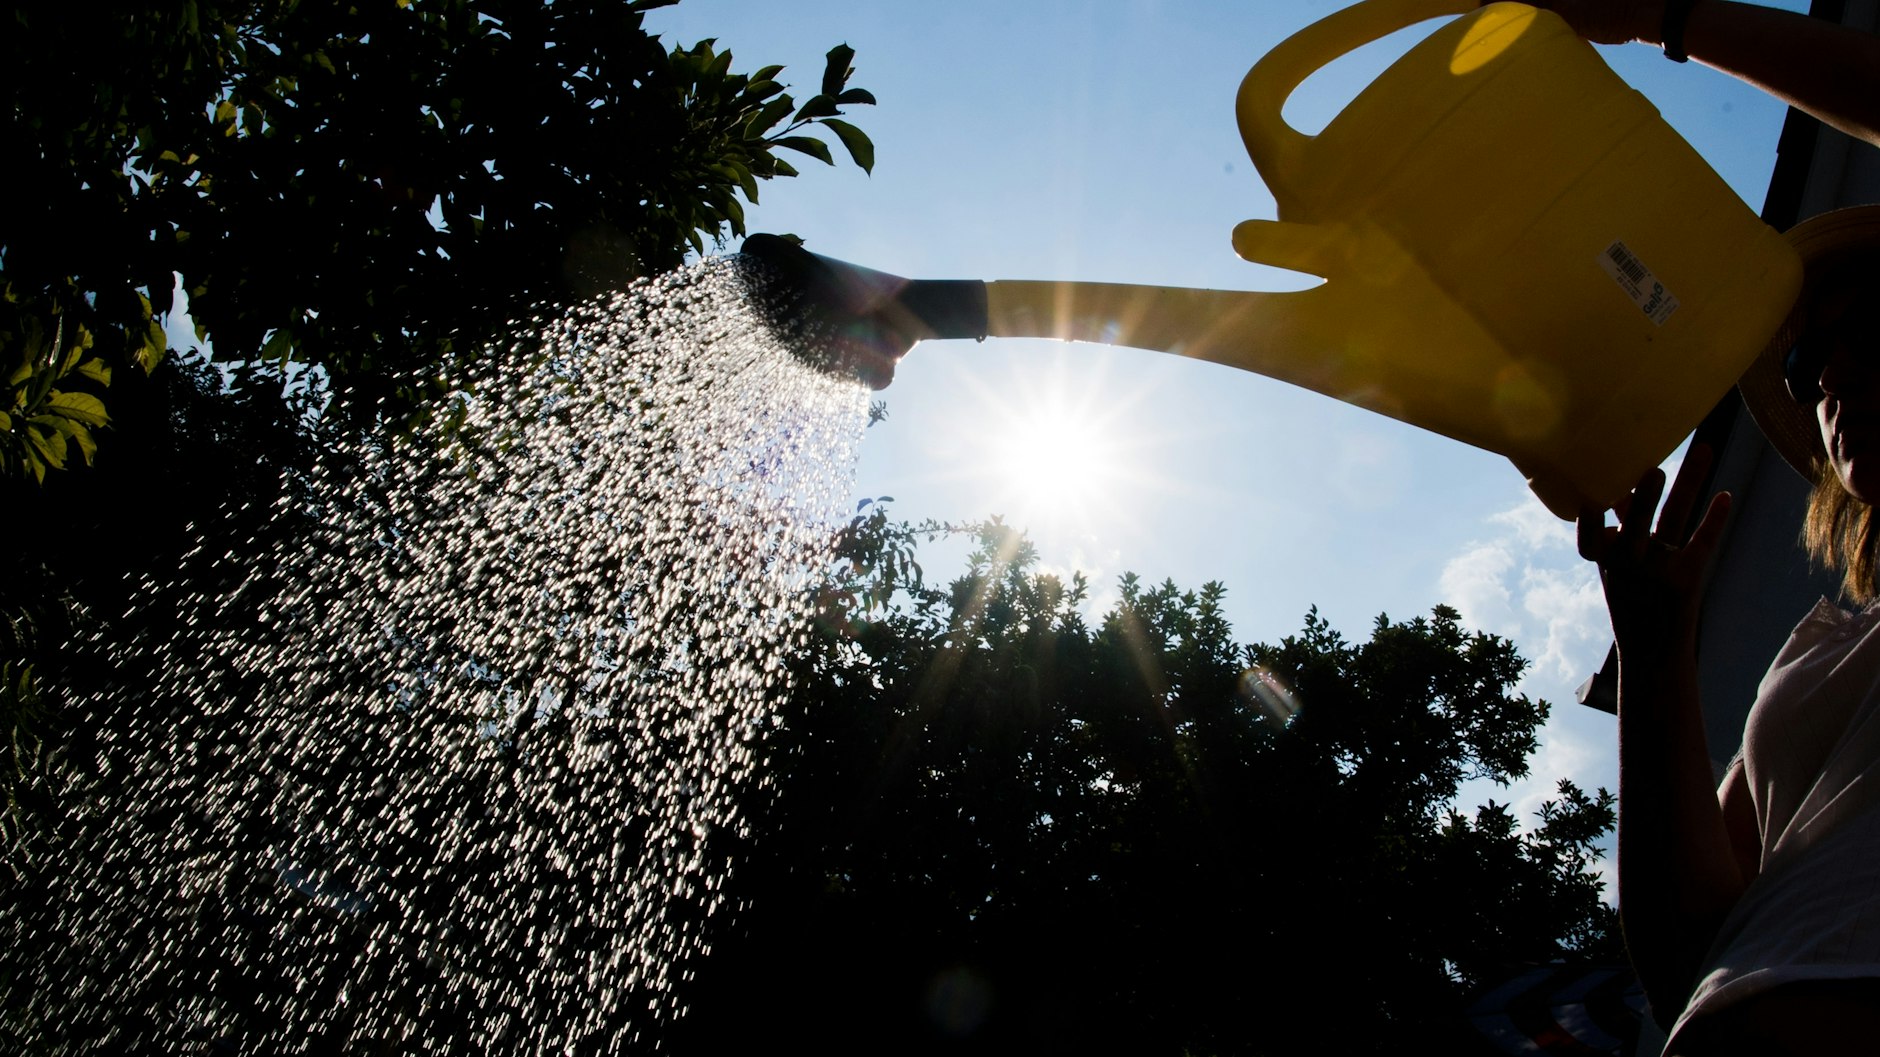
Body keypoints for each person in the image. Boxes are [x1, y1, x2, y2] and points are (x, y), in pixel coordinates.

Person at [1536, 3, 1880, 1053]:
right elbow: (1686, 949)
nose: (1826, 370)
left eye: (1867, 320)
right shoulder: (1816, 650)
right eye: (1804, 359)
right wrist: (1654, 652)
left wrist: (1660, 13)